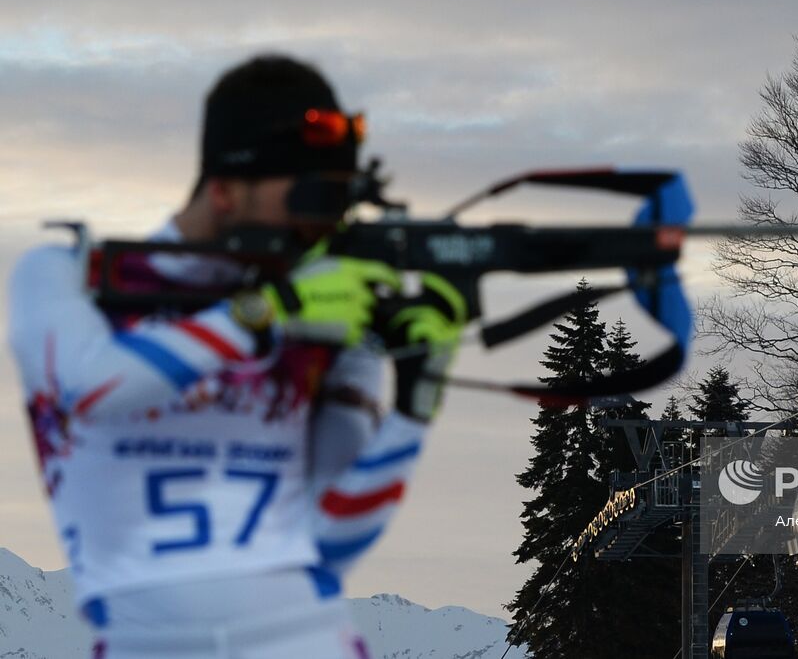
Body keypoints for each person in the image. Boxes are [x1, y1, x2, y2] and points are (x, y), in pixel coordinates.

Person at [7, 55, 466, 658]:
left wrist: (413, 398)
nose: (319, 229)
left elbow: (330, 542)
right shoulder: (69, 276)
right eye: (305, 200)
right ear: (223, 190)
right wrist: (266, 313)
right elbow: (90, 387)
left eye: (336, 204)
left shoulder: (314, 312)